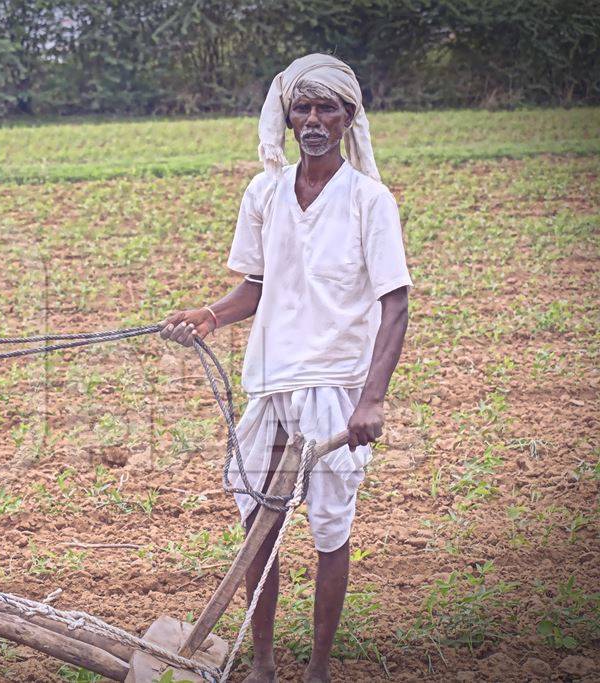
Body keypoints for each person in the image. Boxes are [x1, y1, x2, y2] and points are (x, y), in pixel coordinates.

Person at [160, 53, 412, 683]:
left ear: (349, 117)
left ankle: (319, 669)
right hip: (270, 384)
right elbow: (256, 284)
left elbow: (396, 303)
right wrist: (211, 316)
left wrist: (371, 399)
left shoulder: (369, 202)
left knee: (329, 529)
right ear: (288, 116)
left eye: (328, 107)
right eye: (303, 107)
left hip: (335, 387)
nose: (314, 120)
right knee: (258, 524)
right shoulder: (265, 192)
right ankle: (265, 664)